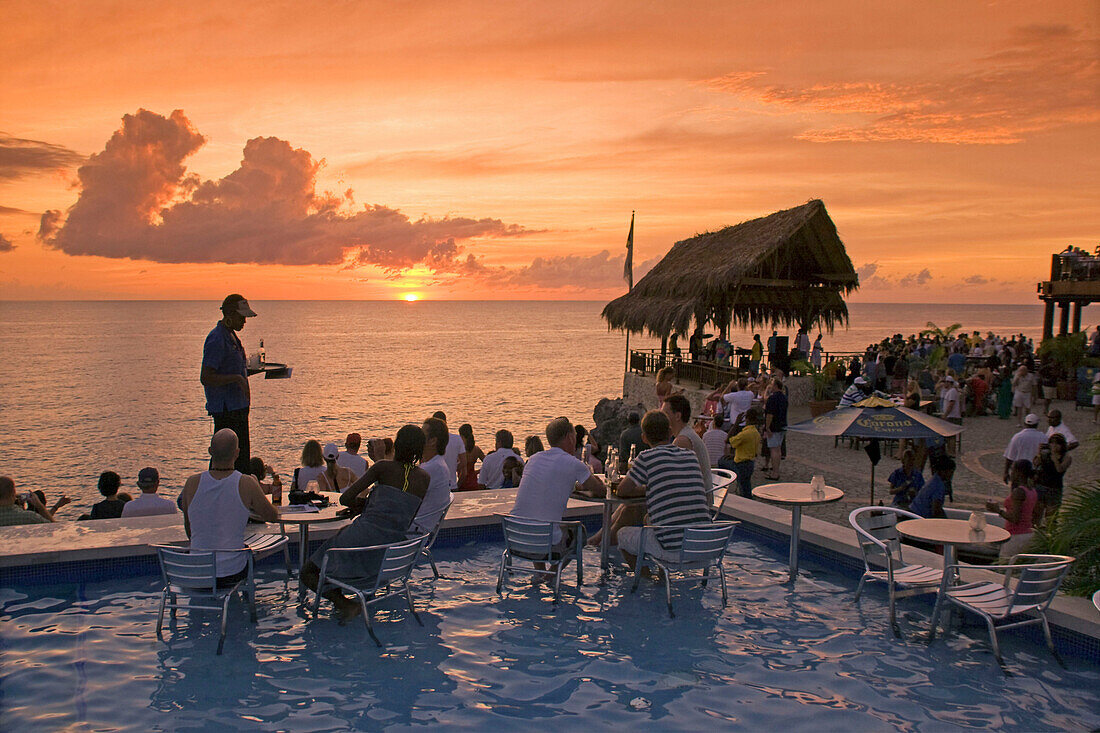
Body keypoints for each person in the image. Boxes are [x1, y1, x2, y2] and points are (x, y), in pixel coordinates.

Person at [310, 425, 430, 621]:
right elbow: (404, 514)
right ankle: (350, 602)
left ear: (397, 445)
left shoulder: (383, 467)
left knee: (308, 572)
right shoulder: (425, 478)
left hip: (361, 543)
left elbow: (346, 498)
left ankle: (346, 604)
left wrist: (365, 505)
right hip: (386, 557)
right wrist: (374, 504)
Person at [613, 410, 712, 571]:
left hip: (673, 549)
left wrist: (647, 488)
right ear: (670, 433)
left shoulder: (646, 458)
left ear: (644, 438)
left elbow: (622, 490)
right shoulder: (690, 456)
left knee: (622, 535)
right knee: (649, 519)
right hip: (704, 544)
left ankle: (646, 581)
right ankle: (661, 576)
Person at [179, 429, 279, 586]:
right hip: (231, 572)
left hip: (197, 572)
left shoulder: (191, 483)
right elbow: (272, 516)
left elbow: (190, 532)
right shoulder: (246, 483)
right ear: (237, 453)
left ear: (210, 451)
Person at [512, 417, 606, 559]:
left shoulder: (533, 459)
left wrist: (576, 486)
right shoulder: (573, 463)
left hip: (515, 539)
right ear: (570, 437)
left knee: (539, 524)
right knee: (578, 532)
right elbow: (601, 491)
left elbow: (547, 483)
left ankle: (539, 574)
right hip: (545, 544)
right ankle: (550, 576)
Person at [200, 294, 258, 474]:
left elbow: (234, 367)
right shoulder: (217, 338)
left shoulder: (231, 336)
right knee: (225, 460)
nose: (244, 322)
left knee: (240, 460)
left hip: (238, 408)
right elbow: (207, 377)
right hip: (227, 411)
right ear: (230, 315)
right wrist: (236, 378)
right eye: (242, 317)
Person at [663, 394, 713, 496]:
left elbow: (671, 477)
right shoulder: (687, 433)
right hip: (696, 494)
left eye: (665, 413)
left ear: (677, 416)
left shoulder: (683, 441)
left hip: (695, 500)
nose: (662, 417)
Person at [987, 460, 1039, 559]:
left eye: (1013, 470)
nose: (1011, 473)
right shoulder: (1032, 491)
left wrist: (998, 510)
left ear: (1019, 472)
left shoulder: (1019, 492)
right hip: (1028, 533)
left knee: (1005, 566)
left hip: (1015, 537)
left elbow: (1015, 518)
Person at [418, 417, 455, 527]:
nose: (418, 438)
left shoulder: (432, 468)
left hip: (414, 531)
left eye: (421, 435)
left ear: (433, 440)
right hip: (419, 526)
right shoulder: (436, 464)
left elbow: (401, 495)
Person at [720, 407, 761, 498]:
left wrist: (736, 424)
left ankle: (722, 485)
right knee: (746, 487)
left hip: (741, 464)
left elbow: (727, 440)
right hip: (749, 463)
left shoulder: (745, 434)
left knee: (721, 461)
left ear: (747, 419)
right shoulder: (756, 433)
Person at [1033, 433, 1070, 527]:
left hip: (1054, 488)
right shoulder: (1045, 454)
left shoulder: (1066, 457)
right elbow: (1036, 464)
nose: (1054, 446)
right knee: (1037, 513)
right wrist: (1039, 453)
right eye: (1052, 443)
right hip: (1041, 485)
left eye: (1057, 444)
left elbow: (1060, 469)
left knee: (1051, 517)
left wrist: (1054, 458)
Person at [1003, 414, 1045, 484]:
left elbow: (1010, 457)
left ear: (1025, 423)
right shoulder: (1043, 437)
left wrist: (1006, 472)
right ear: (1037, 424)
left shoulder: (1017, 437)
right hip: (1035, 471)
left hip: (1019, 470)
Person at [909, 454, 954, 519]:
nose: (951, 475)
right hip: (918, 517)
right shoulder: (938, 486)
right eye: (951, 472)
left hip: (914, 511)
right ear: (943, 471)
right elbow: (936, 511)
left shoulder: (934, 479)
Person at [762, 377, 788, 481]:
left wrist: (767, 427)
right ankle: (776, 470)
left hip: (774, 427)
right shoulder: (784, 397)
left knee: (774, 449)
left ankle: (775, 472)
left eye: (772, 385)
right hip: (782, 425)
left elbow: (770, 415)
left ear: (776, 386)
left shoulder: (772, 399)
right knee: (778, 449)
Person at [432, 411, 467, 486]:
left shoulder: (430, 441)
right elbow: (464, 464)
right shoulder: (457, 439)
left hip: (435, 486)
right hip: (452, 485)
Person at [457, 424, 485, 492]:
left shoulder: (460, 451)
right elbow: (487, 463)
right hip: (474, 482)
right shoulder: (476, 449)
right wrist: (476, 472)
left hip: (462, 482)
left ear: (462, 436)